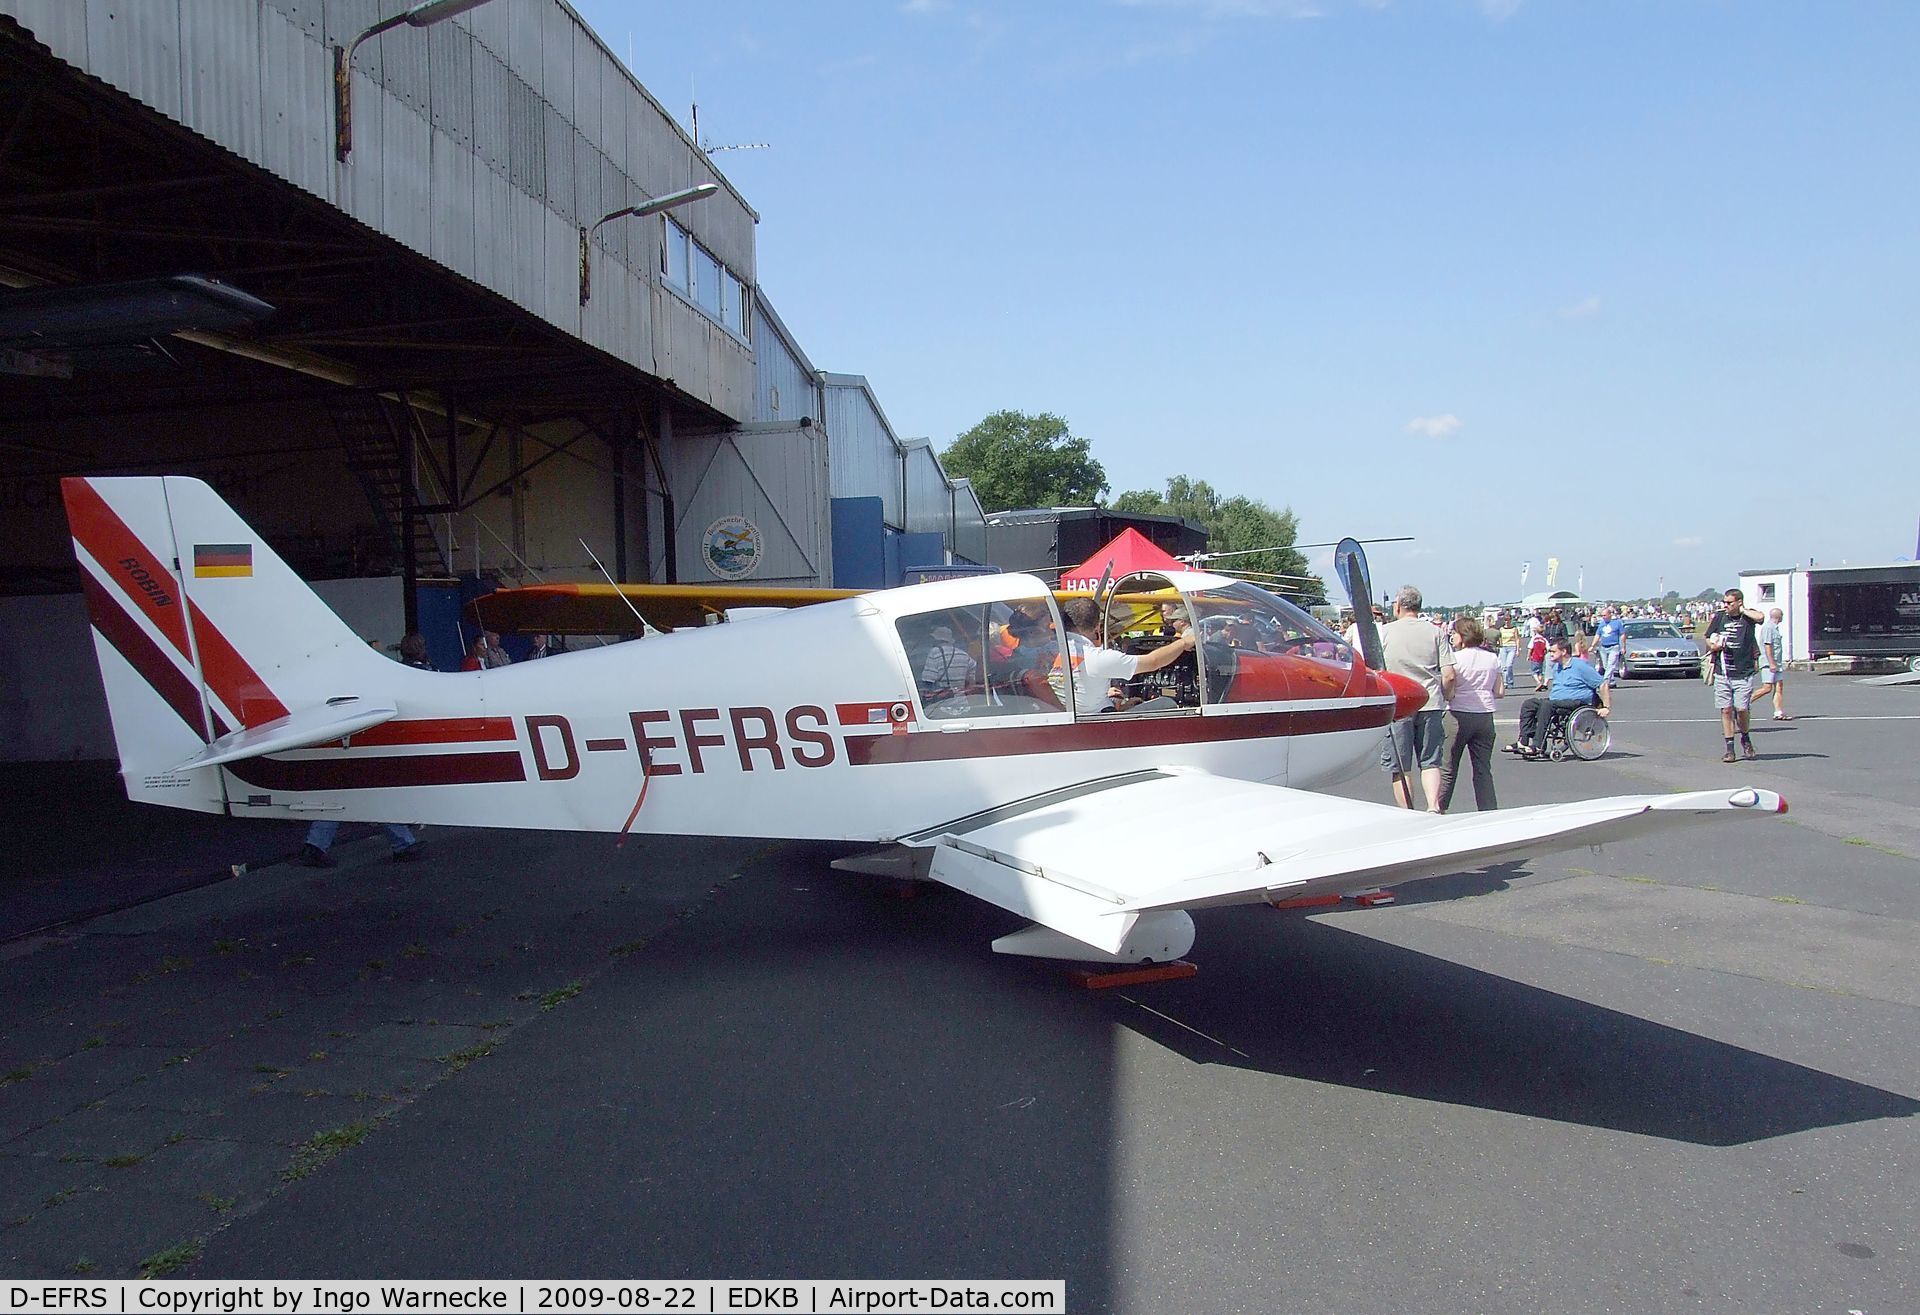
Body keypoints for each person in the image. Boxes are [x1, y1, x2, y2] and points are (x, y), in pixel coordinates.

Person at [1377, 585, 1457, 812]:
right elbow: (1449, 674)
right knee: (1430, 761)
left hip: (1399, 704)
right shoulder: (1436, 632)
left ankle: (1408, 812)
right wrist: (1447, 695)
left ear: (1399, 605)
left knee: (1400, 767)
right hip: (1429, 701)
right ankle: (1433, 805)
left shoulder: (1385, 632)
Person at [1050, 597, 1194, 712]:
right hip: (1097, 725)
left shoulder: (1051, 650)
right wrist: (1184, 643)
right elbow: (1153, 661)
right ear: (1097, 626)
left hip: (1075, 716)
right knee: (1166, 703)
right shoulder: (1097, 658)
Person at [1436, 615, 1501, 813]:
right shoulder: (1492, 658)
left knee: (1448, 767)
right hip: (1485, 714)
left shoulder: (1455, 659)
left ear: (1462, 636)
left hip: (1458, 713)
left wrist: (1448, 694)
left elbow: (1449, 680)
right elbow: (1499, 691)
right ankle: (1488, 810)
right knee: (1482, 769)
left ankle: (1439, 808)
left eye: (1454, 633)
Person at [1509, 638, 1608, 759]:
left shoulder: (1580, 666)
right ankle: (1523, 741)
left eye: (1553, 651)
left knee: (1548, 705)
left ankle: (1538, 745)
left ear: (1564, 651)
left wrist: (1606, 707)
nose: (1550, 653)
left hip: (1576, 703)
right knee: (1529, 704)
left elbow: (1602, 684)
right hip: (1557, 702)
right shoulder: (1557, 667)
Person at [1705, 588, 1767, 761]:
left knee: (1741, 709)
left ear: (1739, 602)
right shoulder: (1719, 617)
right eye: (1724, 602)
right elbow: (1708, 637)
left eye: (1729, 603)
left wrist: (1742, 610)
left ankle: (1745, 737)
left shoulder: (1748, 617)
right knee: (1726, 710)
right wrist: (1713, 645)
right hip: (1723, 671)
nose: (1726, 606)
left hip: (1743, 671)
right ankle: (1729, 747)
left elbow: (1761, 617)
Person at [1750, 607, 1792, 721]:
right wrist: (1771, 663)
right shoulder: (1768, 628)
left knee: (1779, 686)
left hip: (1776, 663)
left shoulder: (1775, 628)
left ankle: (1778, 712)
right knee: (1767, 688)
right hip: (1769, 663)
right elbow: (1767, 646)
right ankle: (1745, 702)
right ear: (1778, 616)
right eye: (1782, 615)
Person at [1595, 606, 1625, 687]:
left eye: (1604, 615)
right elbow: (1597, 635)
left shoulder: (1617, 623)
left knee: (1611, 665)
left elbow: (1622, 635)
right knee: (1605, 666)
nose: (1603, 617)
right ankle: (1611, 681)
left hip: (1614, 646)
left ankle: (1604, 682)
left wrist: (1623, 647)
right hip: (1603, 647)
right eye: (1602, 616)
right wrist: (1592, 645)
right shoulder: (1601, 624)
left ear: (1609, 615)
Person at [1496, 614, 1521, 691]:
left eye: (1508, 620)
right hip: (1503, 647)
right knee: (1503, 666)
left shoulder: (1514, 629)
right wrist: (1498, 645)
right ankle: (1505, 682)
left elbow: (1517, 639)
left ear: (1510, 620)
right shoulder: (1501, 629)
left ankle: (1510, 681)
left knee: (1509, 665)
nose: (1507, 622)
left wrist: (1518, 649)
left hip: (1512, 647)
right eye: (1505, 620)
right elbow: (1499, 639)